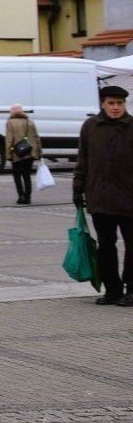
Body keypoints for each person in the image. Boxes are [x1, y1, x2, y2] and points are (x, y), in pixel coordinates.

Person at [73, 85, 133, 306]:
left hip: (129, 199)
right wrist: (77, 189)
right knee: (106, 246)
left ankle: (132, 289)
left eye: (119, 103)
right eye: (111, 103)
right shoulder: (91, 127)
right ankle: (112, 289)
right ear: (102, 103)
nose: (115, 108)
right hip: (101, 198)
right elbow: (83, 161)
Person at [5, 103, 42, 205]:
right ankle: (28, 197)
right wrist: (39, 152)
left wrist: (8, 154)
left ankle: (21, 196)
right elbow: (36, 137)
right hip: (29, 153)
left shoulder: (10, 122)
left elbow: (9, 139)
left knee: (17, 176)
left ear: (13, 111)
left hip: (17, 154)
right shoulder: (29, 122)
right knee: (27, 175)